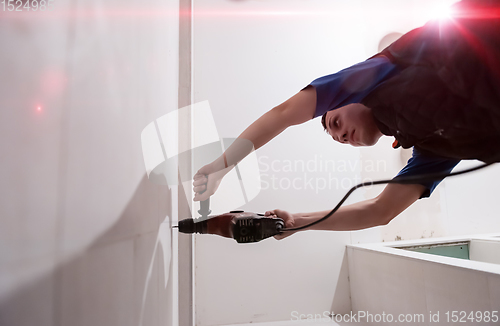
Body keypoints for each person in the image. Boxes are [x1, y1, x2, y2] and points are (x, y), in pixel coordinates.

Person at [192, 0, 500, 239]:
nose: (340, 135)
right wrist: (297, 223)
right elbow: (381, 210)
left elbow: (284, 114)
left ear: (347, 97)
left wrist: (221, 166)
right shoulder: (431, 148)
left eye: (335, 122)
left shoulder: (379, 73)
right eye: (336, 138)